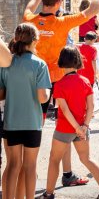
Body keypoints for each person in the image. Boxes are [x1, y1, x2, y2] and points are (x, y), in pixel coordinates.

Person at [23, 0, 99, 186]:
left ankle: (35, 173)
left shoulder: (30, 20)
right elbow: (93, 10)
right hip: (59, 81)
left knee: (35, 128)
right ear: (59, 2)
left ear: (44, 1)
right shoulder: (62, 22)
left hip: (35, 80)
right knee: (66, 126)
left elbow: (28, 8)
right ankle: (66, 174)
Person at [38, 46, 99, 199]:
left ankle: (48, 193)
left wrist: (76, 127)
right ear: (78, 61)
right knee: (86, 158)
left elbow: (65, 111)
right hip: (82, 128)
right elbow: (91, 106)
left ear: (61, 61)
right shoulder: (85, 81)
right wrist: (83, 127)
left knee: (54, 160)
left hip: (64, 128)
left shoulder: (59, 84)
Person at [1, 23, 51, 198]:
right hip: (32, 122)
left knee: (13, 164)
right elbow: (42, 97)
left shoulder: (6, 63)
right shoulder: (40, 65)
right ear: (35, 40)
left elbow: (1, 94)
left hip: (11, 121)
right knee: (30, 166)